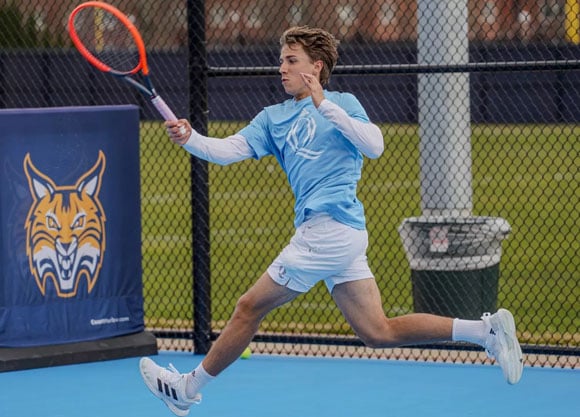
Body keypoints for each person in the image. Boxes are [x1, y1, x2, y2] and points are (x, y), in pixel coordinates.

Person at [139, 26, 523, 416]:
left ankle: (186, 389)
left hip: (331, 231)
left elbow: (375, 146)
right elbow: (226, 151)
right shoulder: (273, 118)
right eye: (281, 61)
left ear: (316, 67)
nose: (281, 69)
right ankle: (484, 331)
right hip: (338, 236)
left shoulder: (342, 103)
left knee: (248, 307)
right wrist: (190, 137)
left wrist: (325, 106)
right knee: (377, 331)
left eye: (291, 61)